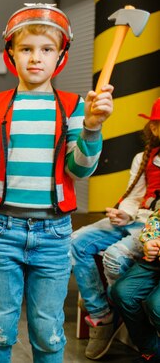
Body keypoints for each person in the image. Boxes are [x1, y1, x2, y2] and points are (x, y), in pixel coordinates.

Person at [0, 3, 114, 362]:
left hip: (54, 234)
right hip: (2, 232)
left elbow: (79, 171)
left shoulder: (75, 106)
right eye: (27, 49)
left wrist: (92, 127)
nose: (36, 58)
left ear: (60, 56)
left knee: (48, 332)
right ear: (11, 54)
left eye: (46, 49)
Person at [70, 98, 160, 360]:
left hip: (151, 228)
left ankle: (123, 305)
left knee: (114, 256)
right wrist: (125, 212)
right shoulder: (143, 158)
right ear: (153, 128)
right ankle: (102, 315)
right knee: (77, 241)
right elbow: (135, 195)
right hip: (136, 217)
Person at [108, 103, 160, 363]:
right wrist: (150, 239)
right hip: (154, 250)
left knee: (156, 305)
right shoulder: (147, 157)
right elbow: (155, 215)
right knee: (120, 292)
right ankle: (150, 347)